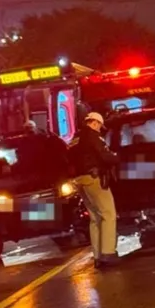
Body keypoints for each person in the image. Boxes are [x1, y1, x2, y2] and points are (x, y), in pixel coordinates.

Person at [67, 112, 120, 269]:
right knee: (108, 214)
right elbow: (105, 156)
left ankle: (97, 256)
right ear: (95, 123)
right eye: (99, 126)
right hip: (93, 179)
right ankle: (108, 253)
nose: (99, 129)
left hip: (79, 181)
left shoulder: (75, 138)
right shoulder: (93, 137)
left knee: (95, 218)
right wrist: (118, 157)